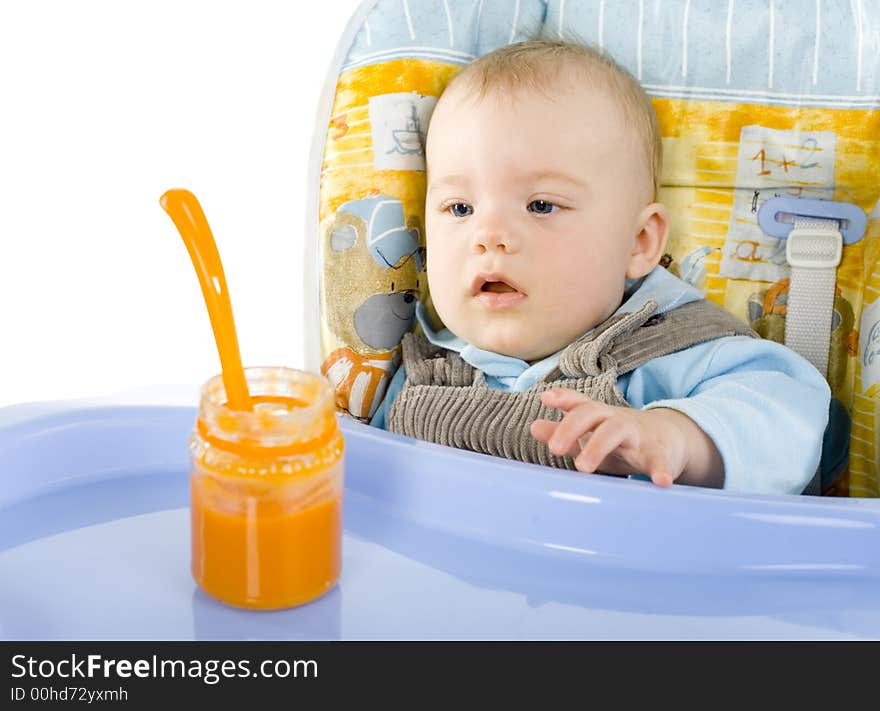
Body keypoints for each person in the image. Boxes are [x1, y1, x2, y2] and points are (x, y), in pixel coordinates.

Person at [370, 39, 830, 495]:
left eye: (541, 205)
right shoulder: (417, 373)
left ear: (639, 241)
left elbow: (795, 417)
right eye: (459, 208)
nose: (488, 234)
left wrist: (679, 439)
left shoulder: (678, 351)